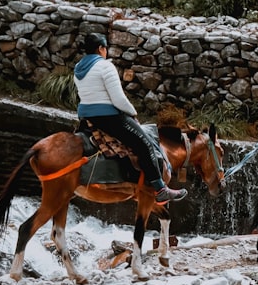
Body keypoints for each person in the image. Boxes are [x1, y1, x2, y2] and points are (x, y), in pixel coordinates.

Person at [73, 32, 187, 203]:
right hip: (109, 117)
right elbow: (118, 99)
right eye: (105, 48)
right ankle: (160, 189)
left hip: (88, 118)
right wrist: (132, 112)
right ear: (101, 48)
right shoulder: (105, 66)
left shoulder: (79, 68)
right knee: (145, 144)